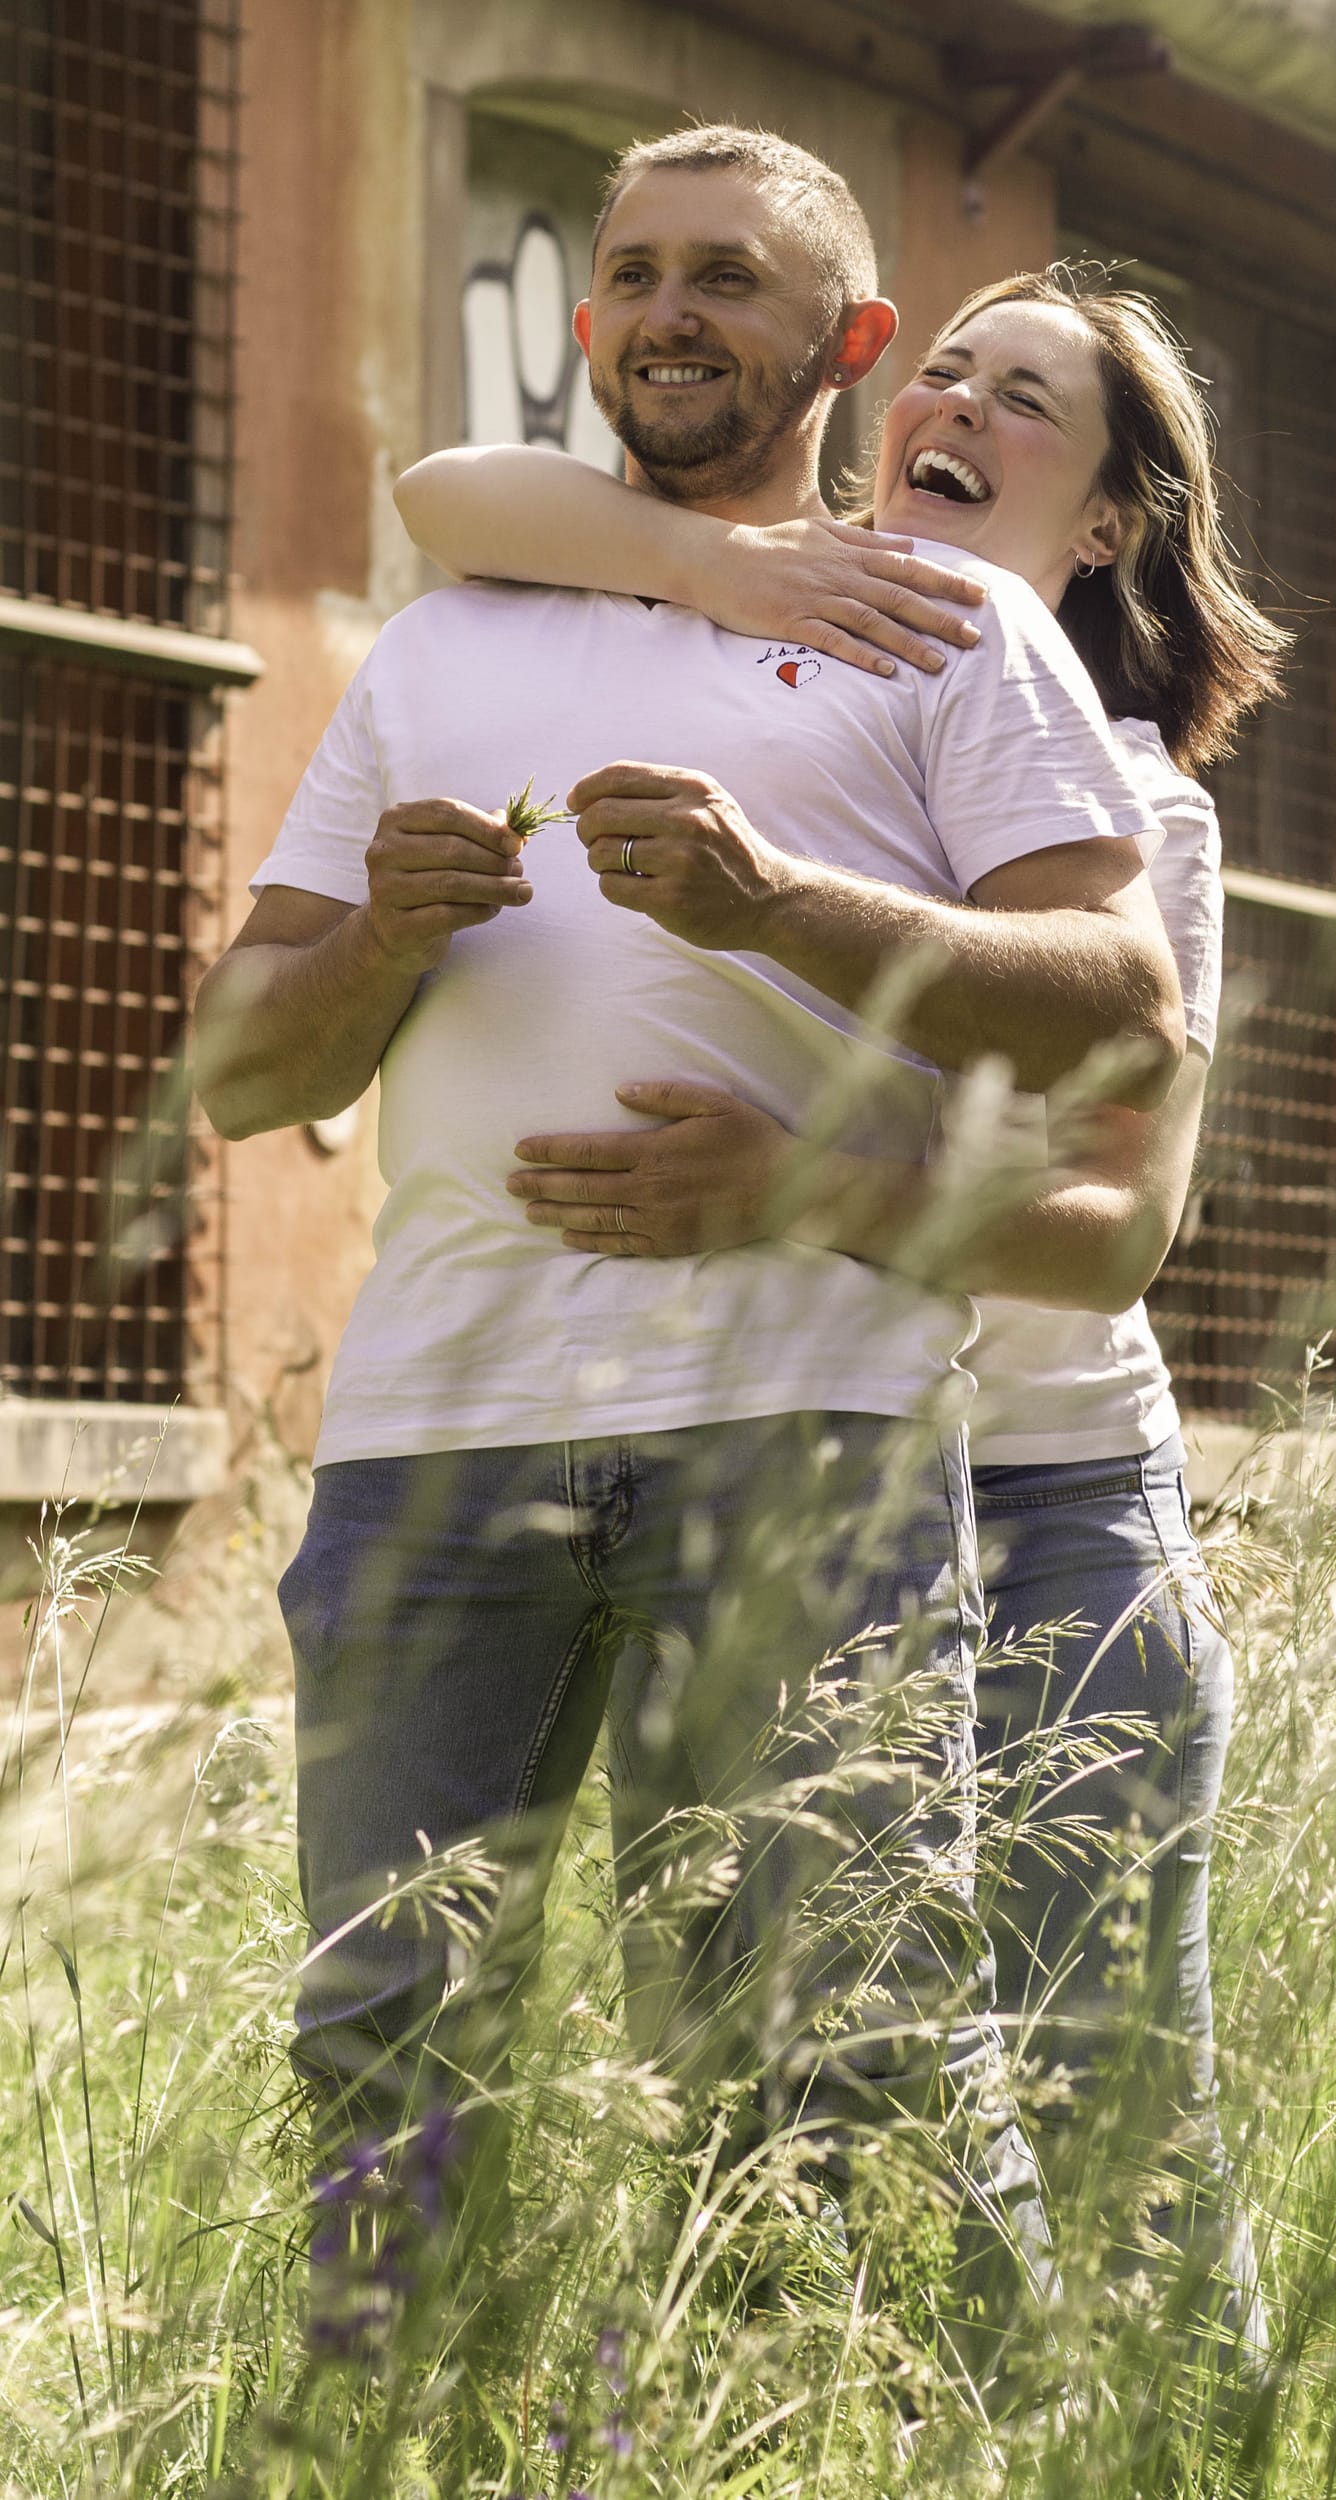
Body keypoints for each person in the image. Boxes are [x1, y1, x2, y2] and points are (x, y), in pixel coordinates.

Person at [191, 130, 1192, 2394]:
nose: (664, 312)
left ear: (843, 346)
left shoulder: (952, 625)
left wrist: (776, 912)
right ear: (585, 322)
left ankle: (819, 2441)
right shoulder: (444, 641)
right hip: (437, 1444)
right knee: (384, 2037)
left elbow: (1117, 991)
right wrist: (384, 936)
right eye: (631, 271)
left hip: (802, 1429)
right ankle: (392, 2444)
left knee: (814, 2065)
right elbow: (245, 1074)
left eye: (728, 281)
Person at [395, 264, 1289, 2367]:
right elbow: (445, 488)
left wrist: (784, 1191)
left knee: (1102, 2113)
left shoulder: (1139, 811)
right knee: (782, 2088)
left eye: (1028, 402)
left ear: (1104, 529)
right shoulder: (784, 696)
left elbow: (1109, 1228)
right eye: (944, 370)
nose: (956, 401)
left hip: (1038, 1524)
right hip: (772, 1504)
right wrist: (711, 552)